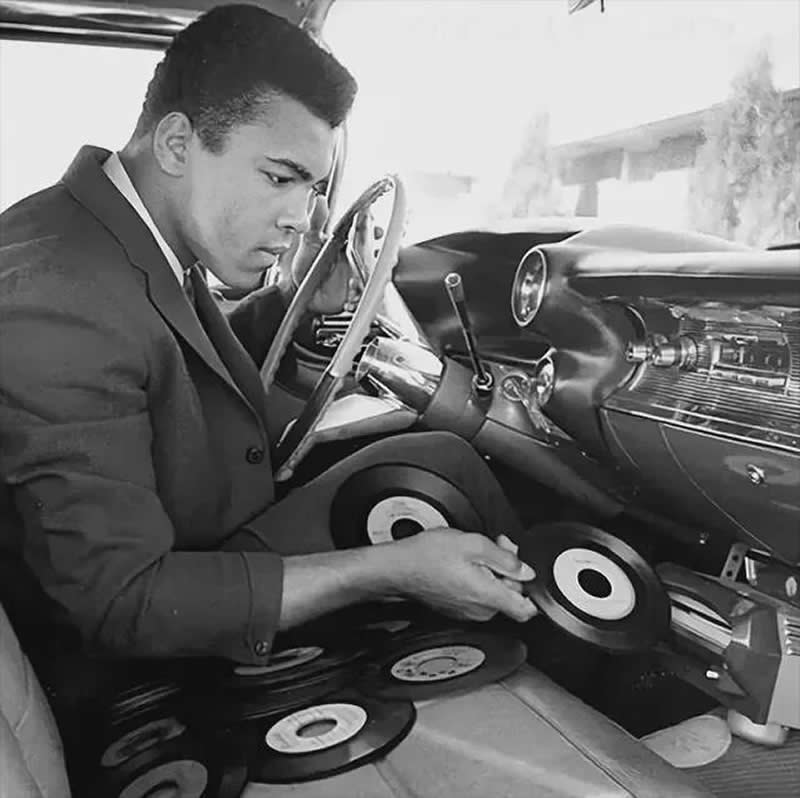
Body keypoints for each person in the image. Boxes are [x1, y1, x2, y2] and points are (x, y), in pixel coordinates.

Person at [0, 4, 536, 691]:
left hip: (203, 530)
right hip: (137, 648)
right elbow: (122, 603)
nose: (300, 218)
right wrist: (388, 573)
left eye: (312, 189)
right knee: (444, 469)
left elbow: (170, 346)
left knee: (434, 457)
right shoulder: (58, 293)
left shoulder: (123, 234)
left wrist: (291, 303)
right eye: (280, 178)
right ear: (176, 145)